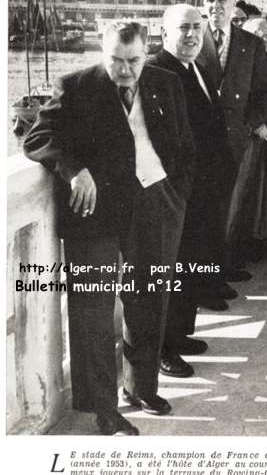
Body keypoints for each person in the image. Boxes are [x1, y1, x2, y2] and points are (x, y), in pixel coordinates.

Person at [24, 22, 195, 435]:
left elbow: (184, 145)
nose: (124, 70)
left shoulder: (166, 82)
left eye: (133, 61)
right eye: (115, 61)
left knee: (149, 299)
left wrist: (176, 195)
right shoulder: (77, 85)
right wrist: (74, 170)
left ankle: (141, 387)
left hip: (155, 204)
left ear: (146, 52)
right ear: (103, 53)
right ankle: (103, 407)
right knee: (93, 311)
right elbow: (36, 137)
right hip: (95, 213)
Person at [150, 4, 235, 376]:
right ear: (164, 32)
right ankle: (163, 349)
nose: (191, 36)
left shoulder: (196, 67)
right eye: (183, 28)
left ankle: (180, 335)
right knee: (170, 272)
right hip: (174, 193)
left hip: (202, 190)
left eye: (197, 29)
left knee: (188, 267)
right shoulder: (155, 71)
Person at [198, 0, 267, 278]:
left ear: (233, 6)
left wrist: (249, 124)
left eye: (222, 1)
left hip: (235, 137)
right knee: (204, 206)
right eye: (210, 1)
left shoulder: (250, 44)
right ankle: (206, 274)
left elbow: (266, 92)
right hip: (201, 138)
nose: (215, 7)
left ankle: (224, 267)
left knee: (231, 204)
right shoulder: (193, 39)